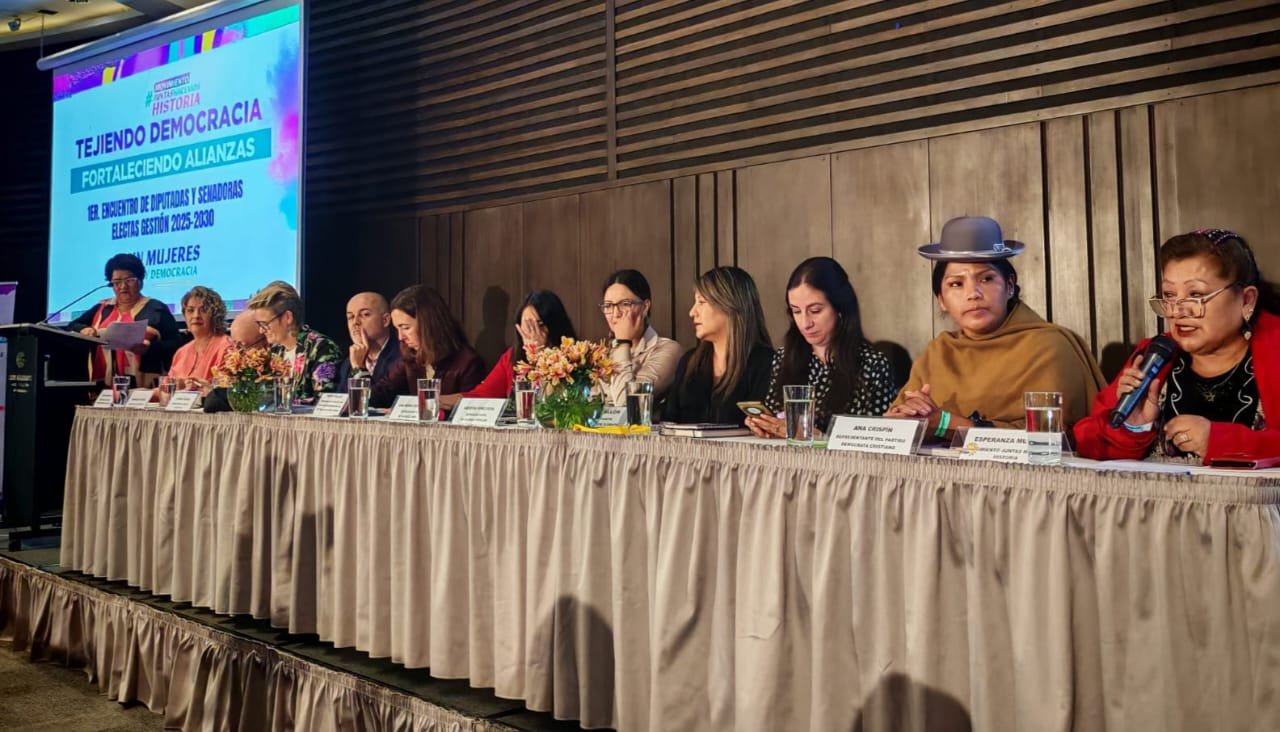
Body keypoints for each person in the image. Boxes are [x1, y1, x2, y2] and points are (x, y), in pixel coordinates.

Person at [885, 216, 1105, 438]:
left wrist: (946, 424)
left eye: (986, 279)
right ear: (941, 300)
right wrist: (905, 419)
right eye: (956, 284)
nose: (973, 294)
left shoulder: (1049, 347)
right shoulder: (937, 353)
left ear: (1009, 286)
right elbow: (902, 419)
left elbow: (1048, 437)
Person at [1074, 228, 1280, 463]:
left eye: (1196, 295)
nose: (1178, 311)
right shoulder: (1156, 355)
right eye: (1170, 295)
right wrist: (1134, 428)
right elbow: (1088, 442)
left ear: (1246, 300)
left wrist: (1222, 442)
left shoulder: (1274, 350)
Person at [746, 257, 897, 438]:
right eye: (796, 311)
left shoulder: (872, 364)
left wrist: (815, 436)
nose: (805, 323)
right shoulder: (784, 357)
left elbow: (878, 438)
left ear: (839, 309)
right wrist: (765, 425)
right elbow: (776, 416)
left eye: (815, 311)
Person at [663, 266, 774, 425]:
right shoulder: (689, 361)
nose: (692, 312)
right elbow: (668, 422)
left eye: (701, 302)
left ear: (729, 305)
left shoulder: (767, 363)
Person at [441, 290, 577, 409]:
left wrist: (541, 358)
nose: (532, 333)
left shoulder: (575, 357)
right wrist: (436, 399)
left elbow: (565, 404)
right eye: (527, 326)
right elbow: (480, 396)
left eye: (539, 325)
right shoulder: (511, 357)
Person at [70, 253, 180, 385]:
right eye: (117, 282)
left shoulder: (156, 309)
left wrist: (150, 348)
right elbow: (73, 325)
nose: (123, 287)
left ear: (140, 281)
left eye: (129, 280)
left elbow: (176, 345)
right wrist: (85, 329)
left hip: (145, 387)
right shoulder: (103, 307)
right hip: (102, 386)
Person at [367, 285, 486, 408]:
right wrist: (359, 369)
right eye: (397, 329)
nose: (400, 337)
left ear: (429, 324)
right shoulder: (410, 356)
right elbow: (379, 395)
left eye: (406, 328)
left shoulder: (468, 362)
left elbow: (470, 410)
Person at [245, 281, 342, 404]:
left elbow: (325, 402)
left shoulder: (322, 348)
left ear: (288, 317)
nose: (261, 330)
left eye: (265, 324)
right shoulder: (274, 352)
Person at [596, 269, 682, 406]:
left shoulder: (668, 349)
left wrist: (623, 342)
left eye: (625, 304)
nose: (615, 313)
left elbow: (627, 403)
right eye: (608, 306)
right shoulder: (603, 355)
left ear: (645, 306)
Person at [202, 310, 270, 413]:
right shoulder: (236, 366)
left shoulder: (273, 370)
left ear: (266, 342)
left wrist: (215, 393)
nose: (236, 352)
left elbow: (213, 402)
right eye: (233, 344)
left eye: (241, 345)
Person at [167, 286, 232, 391]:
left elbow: (225, 391)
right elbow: (166, 390)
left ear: (215, 315)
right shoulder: (181, 352)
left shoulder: (227, 347)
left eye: (203, 310)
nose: (196, 315)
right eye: (190, 310)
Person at [336, 291, 402, 394]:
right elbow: (341, 398)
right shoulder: (349, 361)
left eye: (365, 314)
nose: (355, 322)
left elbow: (379, 398)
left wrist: (359, 367)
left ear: (385, 320)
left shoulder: (401, 356)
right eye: (350, 317)